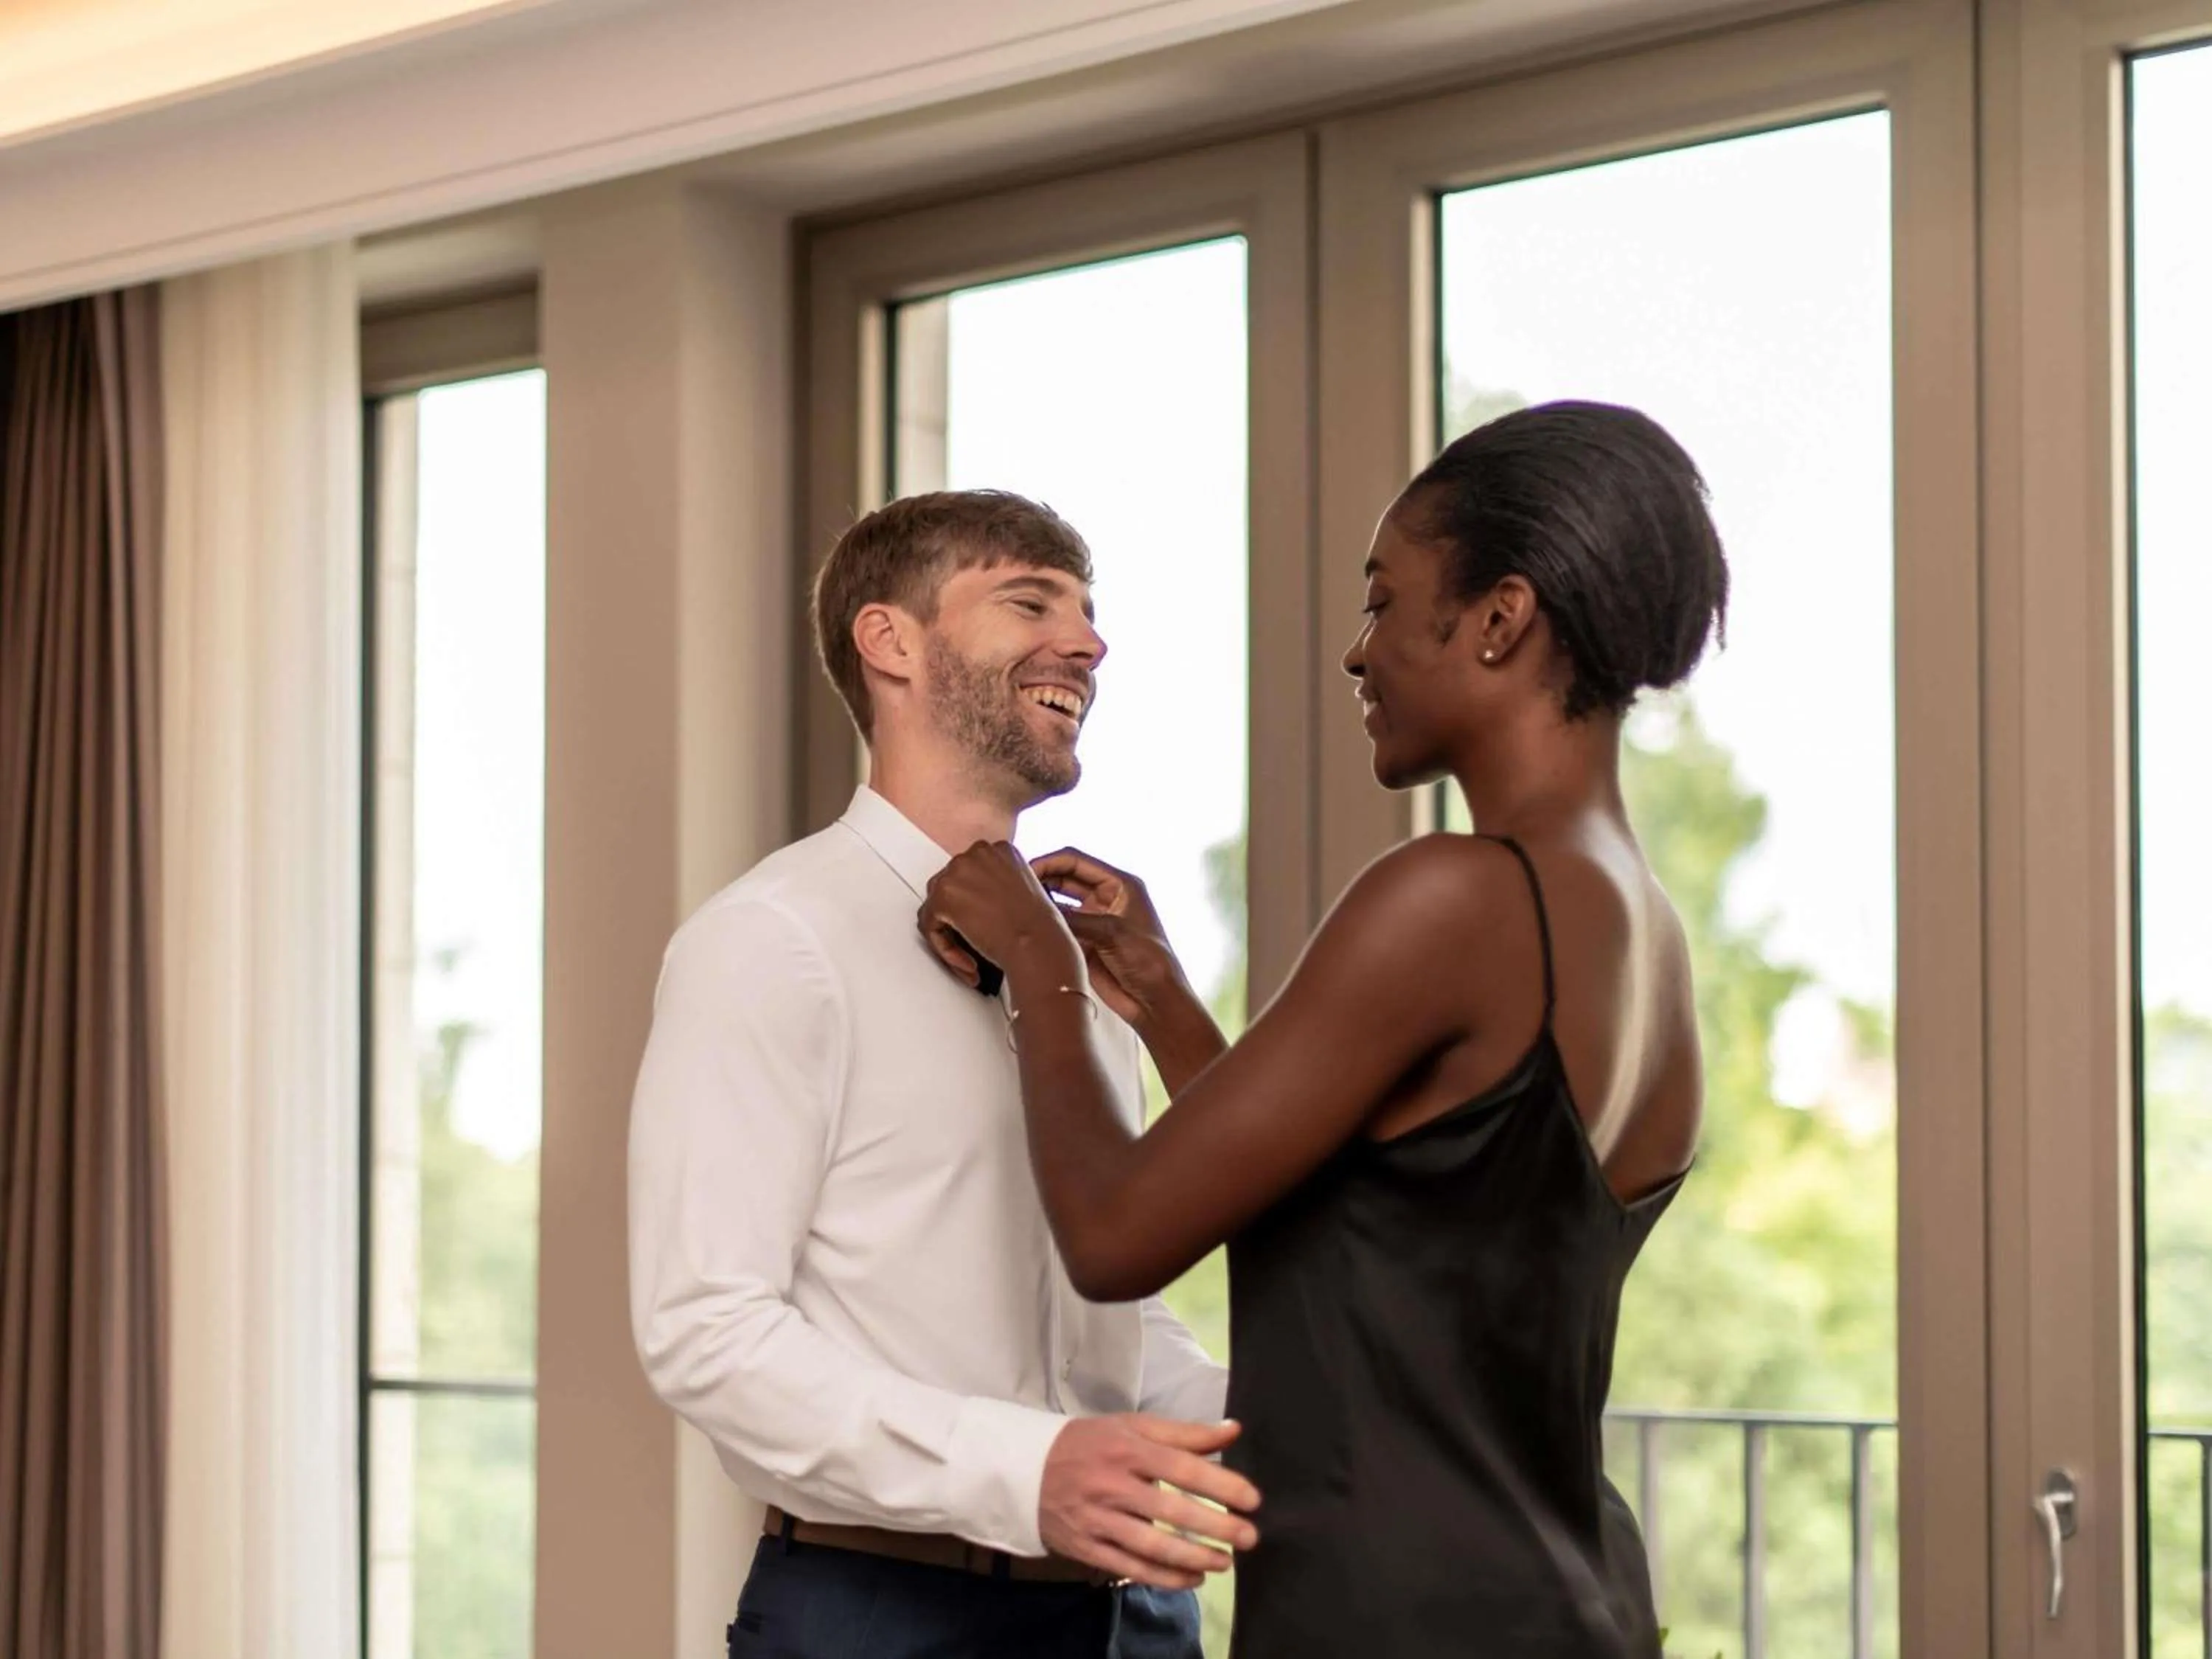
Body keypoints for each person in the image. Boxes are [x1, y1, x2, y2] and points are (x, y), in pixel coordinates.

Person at [918, 401, 1728, 1658]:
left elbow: (1119, 1232)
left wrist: (1040, 962)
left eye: (1386, 602)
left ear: (1501, 618)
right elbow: (1384, 1225)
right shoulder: (1645, 926)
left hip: (1391, 1622)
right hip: (1567, 1604)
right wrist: (1167, 1003)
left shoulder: (1455, 894)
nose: (1360, 653)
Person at [627, 490, 1258, 1659]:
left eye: (1088, 613)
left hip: (1138, 1621)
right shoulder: (772, 938)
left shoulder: (1072, 968)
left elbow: (1092, 1327)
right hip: (887, 1622)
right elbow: (705, 1327)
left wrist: (1263, 1427)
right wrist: (1028, 1468)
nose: (1088, 643)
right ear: (891, 642)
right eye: (1031, 601)